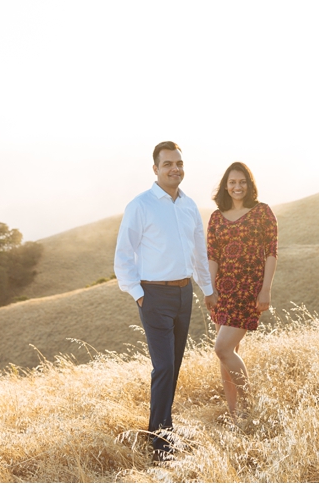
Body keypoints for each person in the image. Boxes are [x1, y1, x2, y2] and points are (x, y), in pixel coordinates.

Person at [114, 141, 217, 462]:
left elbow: (199, 253)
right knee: (164, 366)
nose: (175, 169)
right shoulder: (141, 205)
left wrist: (207, 290)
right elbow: (123, 254)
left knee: (174, 366)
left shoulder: (188, 206)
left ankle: (161, 426)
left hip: (184, 293)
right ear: (155, 168)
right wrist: (138, 293)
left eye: (179, 163)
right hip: (153, 295)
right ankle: (160, 442)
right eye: (168, 163)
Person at [207, 161, 278, 418]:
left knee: (222, 348)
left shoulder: (262, 212)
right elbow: (212, 255)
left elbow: (271, 252)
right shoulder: (216, 217)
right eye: (232, 182)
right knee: (228, 355)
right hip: (222, 291)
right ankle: (235, 414)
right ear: (226, 186)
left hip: (249, 290)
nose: (237, 187)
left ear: (249, 185)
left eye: (242, 182)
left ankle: (252, 408)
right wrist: (209, 290)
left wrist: (266, 289)